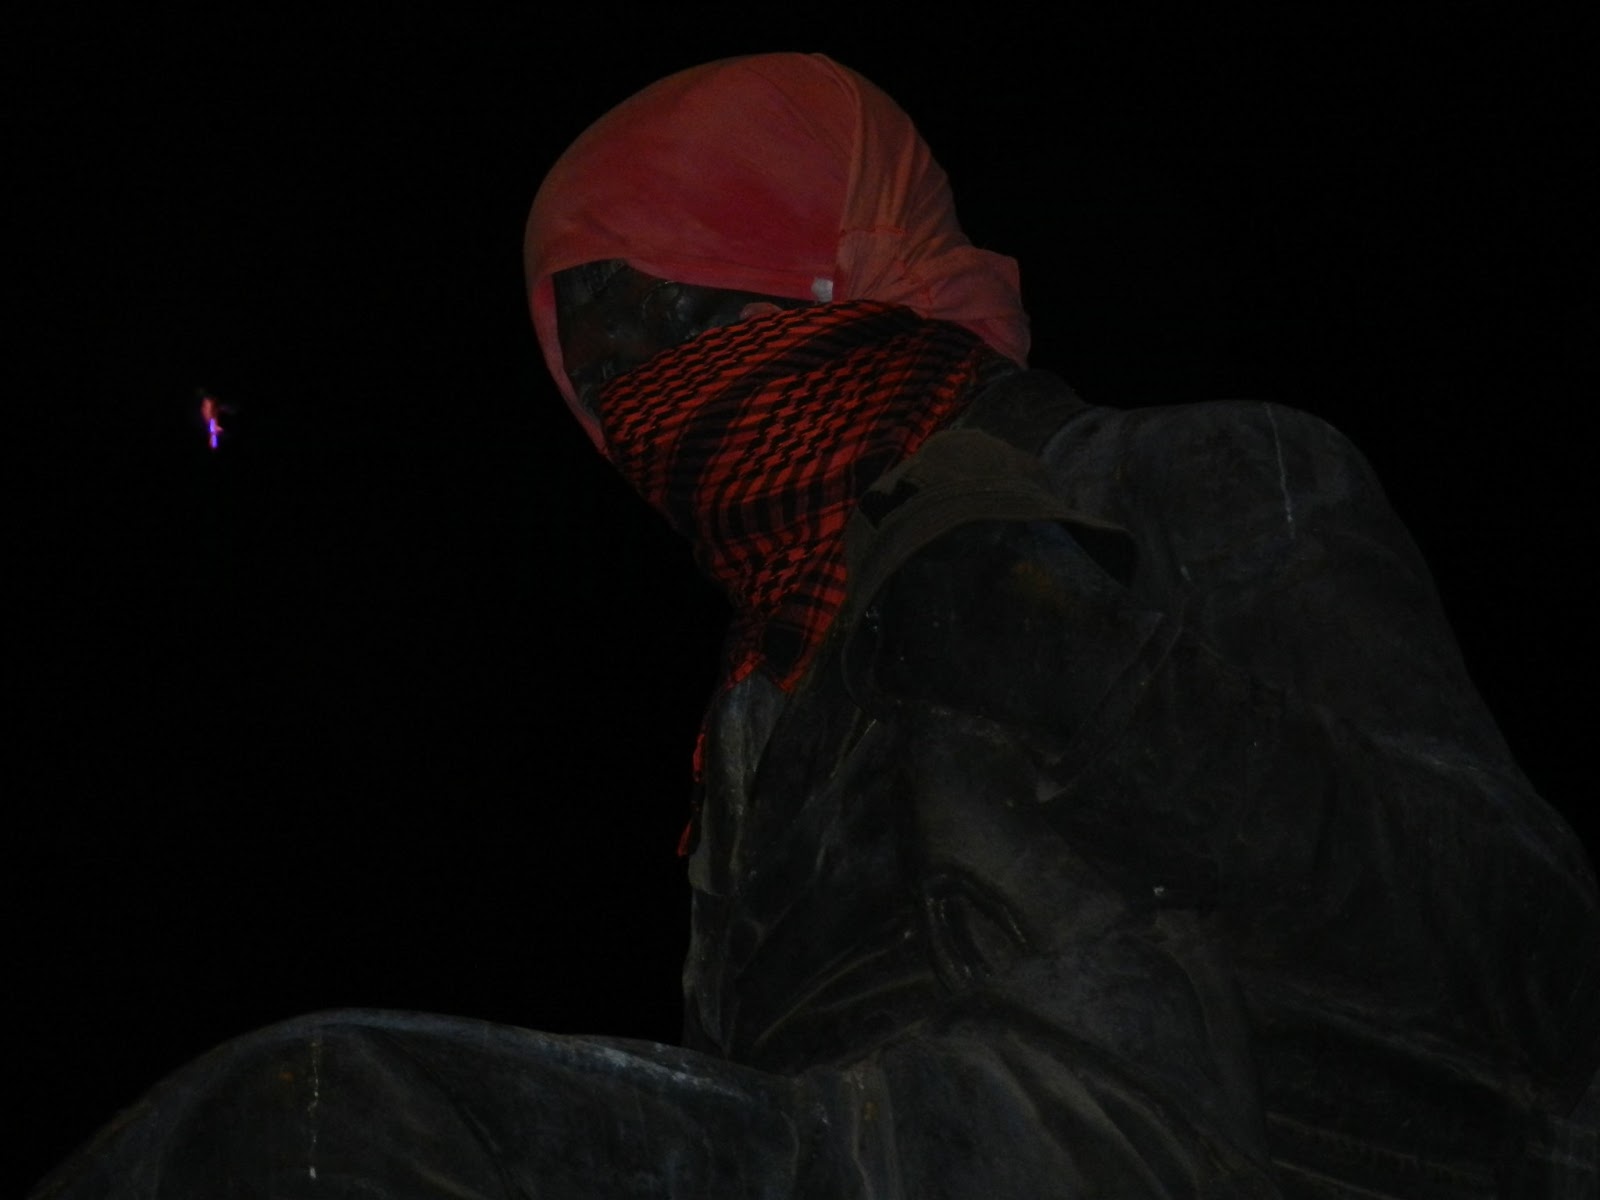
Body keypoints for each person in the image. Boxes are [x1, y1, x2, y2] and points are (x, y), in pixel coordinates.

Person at [32, 52, 1598, 1200]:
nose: (641, 406)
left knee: (326, 1111)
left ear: (831, 269)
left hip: (1196, 1139)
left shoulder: (1194, 475)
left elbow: (1523, 946)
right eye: (601, 372)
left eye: (672, 315)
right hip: (887, 1146)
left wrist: (1095, 679)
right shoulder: (760, 706)